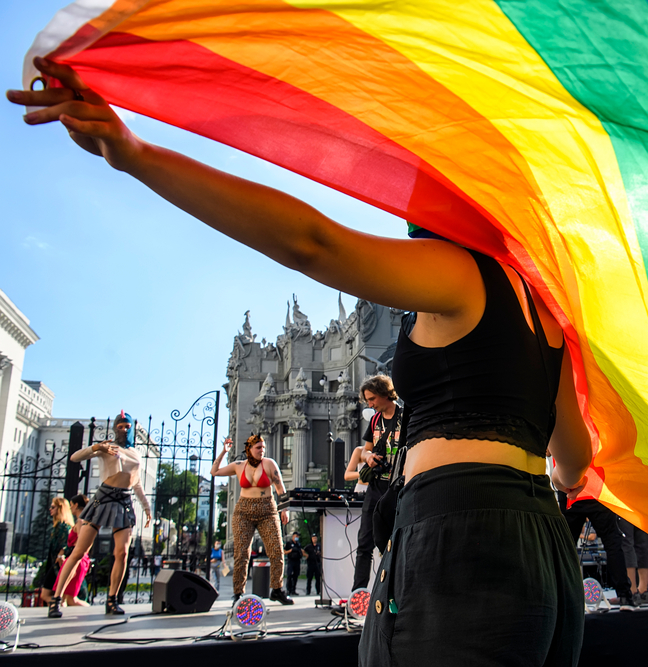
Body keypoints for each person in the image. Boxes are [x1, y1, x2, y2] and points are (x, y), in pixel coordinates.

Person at [9, 59, 594, 665]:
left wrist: (132, 152)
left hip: (461, 533)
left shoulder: (463, 275)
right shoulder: (547, 317)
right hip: (544, 545)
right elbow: (574, 458)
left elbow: (310, 241)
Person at [48, 411, 151, 618]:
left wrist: (147, 509)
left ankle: (112, 599)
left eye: (127, 426)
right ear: (115, 428)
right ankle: (56, 599)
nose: (123, 429)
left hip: (124, 500)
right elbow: (75, 457)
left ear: (132, 428)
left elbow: (137, 483)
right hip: (102, 498)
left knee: (121, 553)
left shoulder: (136, 454)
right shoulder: (106, 447)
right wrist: (97, 447)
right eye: (120, 426)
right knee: (78, 552)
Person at [209, 435, 293, 605]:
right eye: (258, 448)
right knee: (241, 554)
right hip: (244, 511)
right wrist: (224, 452)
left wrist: (284, 508)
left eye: (263, 447)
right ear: (249, 449)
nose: (262, 450)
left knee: (276, 551)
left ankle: (277, 589)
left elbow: (280, 487)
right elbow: (214, 472)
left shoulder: (269, 464)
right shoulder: (239, 465)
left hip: (267, 510)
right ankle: (238, 593)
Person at [352, 375, 402, 592]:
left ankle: (393, 592)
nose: (370, 404)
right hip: (375, 488)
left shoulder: (406, 416)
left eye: (372, 399)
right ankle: (358, 595)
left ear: (384, 393)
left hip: (399, 488)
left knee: (395, 543)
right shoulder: (374, 420)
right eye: (367, 401)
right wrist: (368, 457)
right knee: (364, 544)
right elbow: (364, 450)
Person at [559, 492, 636, 610]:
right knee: (612, 543)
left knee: (565, 547)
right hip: (596, 491)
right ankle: (625, 596)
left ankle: (562, 598)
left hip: (571, 491)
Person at [39, 497, 74, 605]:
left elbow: (65, 545)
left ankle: (59, 608)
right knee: (54, 595)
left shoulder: (63, 526)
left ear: (60, 509)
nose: (50, 509)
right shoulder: (58, 526)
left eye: (53, 507)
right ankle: (58, 608)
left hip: (57, 565)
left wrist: (60, 555)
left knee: (46, 594)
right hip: (53, 564)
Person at [59, 494, 92, 607]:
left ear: (76, 505)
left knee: (70, 599)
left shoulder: (81, 522)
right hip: (74, 558)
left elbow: (82, 544)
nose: (70, 508)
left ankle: (90, 610)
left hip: (76, 559)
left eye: (71, 505)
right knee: (65, 597)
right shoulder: (82, 521)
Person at [619, 516, 648, 604]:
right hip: (645, 504)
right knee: (644, 543)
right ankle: (643, 591)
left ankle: (632, 591)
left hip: (626, 504)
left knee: (626, 543)